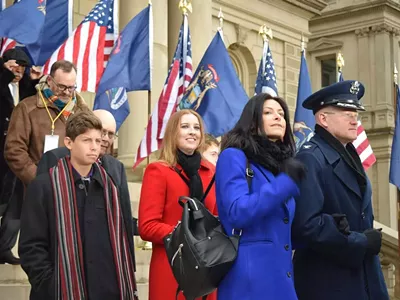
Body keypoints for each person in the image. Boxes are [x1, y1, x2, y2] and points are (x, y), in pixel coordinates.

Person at [19, 110, 138, 300]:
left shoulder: (111, 186)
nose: (94, 147)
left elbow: (122, 233)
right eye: (86, 140)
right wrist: (51, 284)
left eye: (98, 141)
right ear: (69, 143)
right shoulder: (44, 186)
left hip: (109, 290)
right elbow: (31, 246)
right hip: (61, 290)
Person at [292, 80, 389, 300]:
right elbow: (306, 225)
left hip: (361, 279)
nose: (354, 117)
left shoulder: (348, 154)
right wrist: (361, 242)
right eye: (345, 111)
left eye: (355, 111)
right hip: (328, 282)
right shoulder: (310, 157)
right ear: (323, 119)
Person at [215, 93, 305, 300]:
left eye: (281, 114)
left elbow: (281, 229)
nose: (278, 117)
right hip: (249, 283)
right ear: (253, 122)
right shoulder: (233, 156)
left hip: (281, 281)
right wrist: (285, 183)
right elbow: (237, 212)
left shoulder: (281, 167)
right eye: (268, 112)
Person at [139, 109, 217, 300]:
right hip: (172, 265)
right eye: (185, 127)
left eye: (196, 127)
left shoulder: (211, 172)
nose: (192, 132)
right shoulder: (158, 171)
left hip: (206, 265)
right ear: (173, 132)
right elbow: (147, 226)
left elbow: (216, 217)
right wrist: (186, 237)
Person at [36, 109, 138, 238]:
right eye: (102, 132)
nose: (105, 138)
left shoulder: (117, 167)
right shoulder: (54, 159)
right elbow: (39, 214)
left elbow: (124, 214)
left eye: (111, 134)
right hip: (62, 243)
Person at [4, 59, 88, 186]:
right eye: (61, 86)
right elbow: (14, 150)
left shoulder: (82, 111)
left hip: (73, 186)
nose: (66, 92)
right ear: (49, 80)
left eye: (71, 87)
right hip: (39, 189)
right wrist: (38, 179)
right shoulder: (26, 108)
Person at [0, 48, 42, 264]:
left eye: (22, 67)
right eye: (15, 65)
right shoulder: (2, 82)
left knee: (14, 205)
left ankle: (4, 247)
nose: (19, 70)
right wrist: (4, 72)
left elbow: (31, 106)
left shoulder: (23, 88)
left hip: (17, 155)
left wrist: (33, 81)